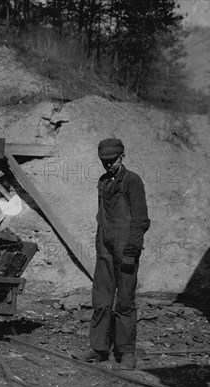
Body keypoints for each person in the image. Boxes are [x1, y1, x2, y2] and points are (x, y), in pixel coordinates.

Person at [73, 138, 150, 370]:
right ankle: (98, 348)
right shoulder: (103, 182)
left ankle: (126, 352)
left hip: (126, 251)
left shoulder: (133, 181)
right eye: (104, 162)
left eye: (112, 161)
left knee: (125, 302)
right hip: (105, 251)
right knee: (101, 301)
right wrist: (100, 246)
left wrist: (132, 251)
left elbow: (140, 220)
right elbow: (101, 218)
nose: (107, 165)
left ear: (122, 157)